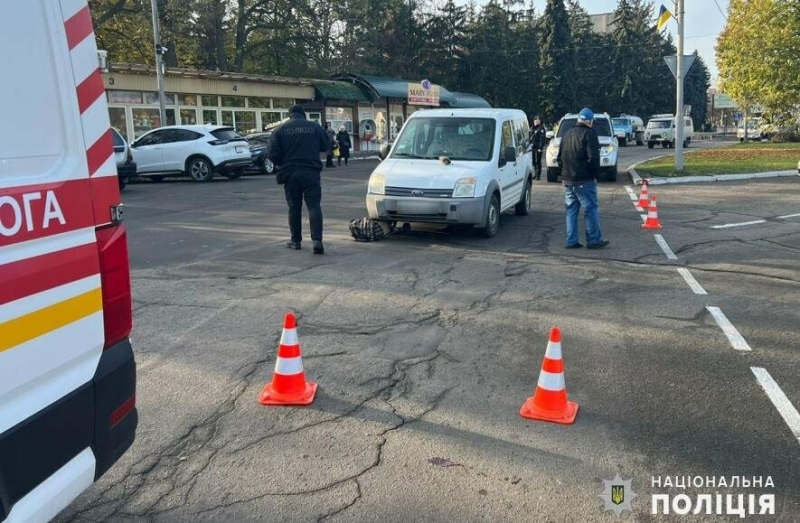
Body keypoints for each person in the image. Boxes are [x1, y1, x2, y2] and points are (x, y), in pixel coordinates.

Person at [268, 105, 330, 254]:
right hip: (311, 172)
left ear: (290, 115)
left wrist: (283, 163)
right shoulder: (314, 127)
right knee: (314, 206)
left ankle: (296, 241)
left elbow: (271, 154)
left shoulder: (280, 130)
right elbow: (325, 145)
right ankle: (317, 241)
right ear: (304, 115)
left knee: (294, 207)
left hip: (290, 173)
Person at [556, 108, 609, 250]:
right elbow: (593, 158)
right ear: (589, 121)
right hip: (584, 179)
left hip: (568, 179)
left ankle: (571, 240)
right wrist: (595, 175)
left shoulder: (567, 134)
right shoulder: (589, 134)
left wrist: (563, 174)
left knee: (571, 210)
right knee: (590, 209)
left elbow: (559, 157)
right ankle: (593, 240)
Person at [530, 115, 547, 180]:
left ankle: (538, 175)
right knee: (533, 161)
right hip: (532, 147)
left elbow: (542, 139)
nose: (537, 121)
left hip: (538, 148)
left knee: (538, 161)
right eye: (535, 120)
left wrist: (540, 147)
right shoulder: (532, 128)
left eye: (538, 120)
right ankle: (535, 173)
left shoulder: (541, 129)